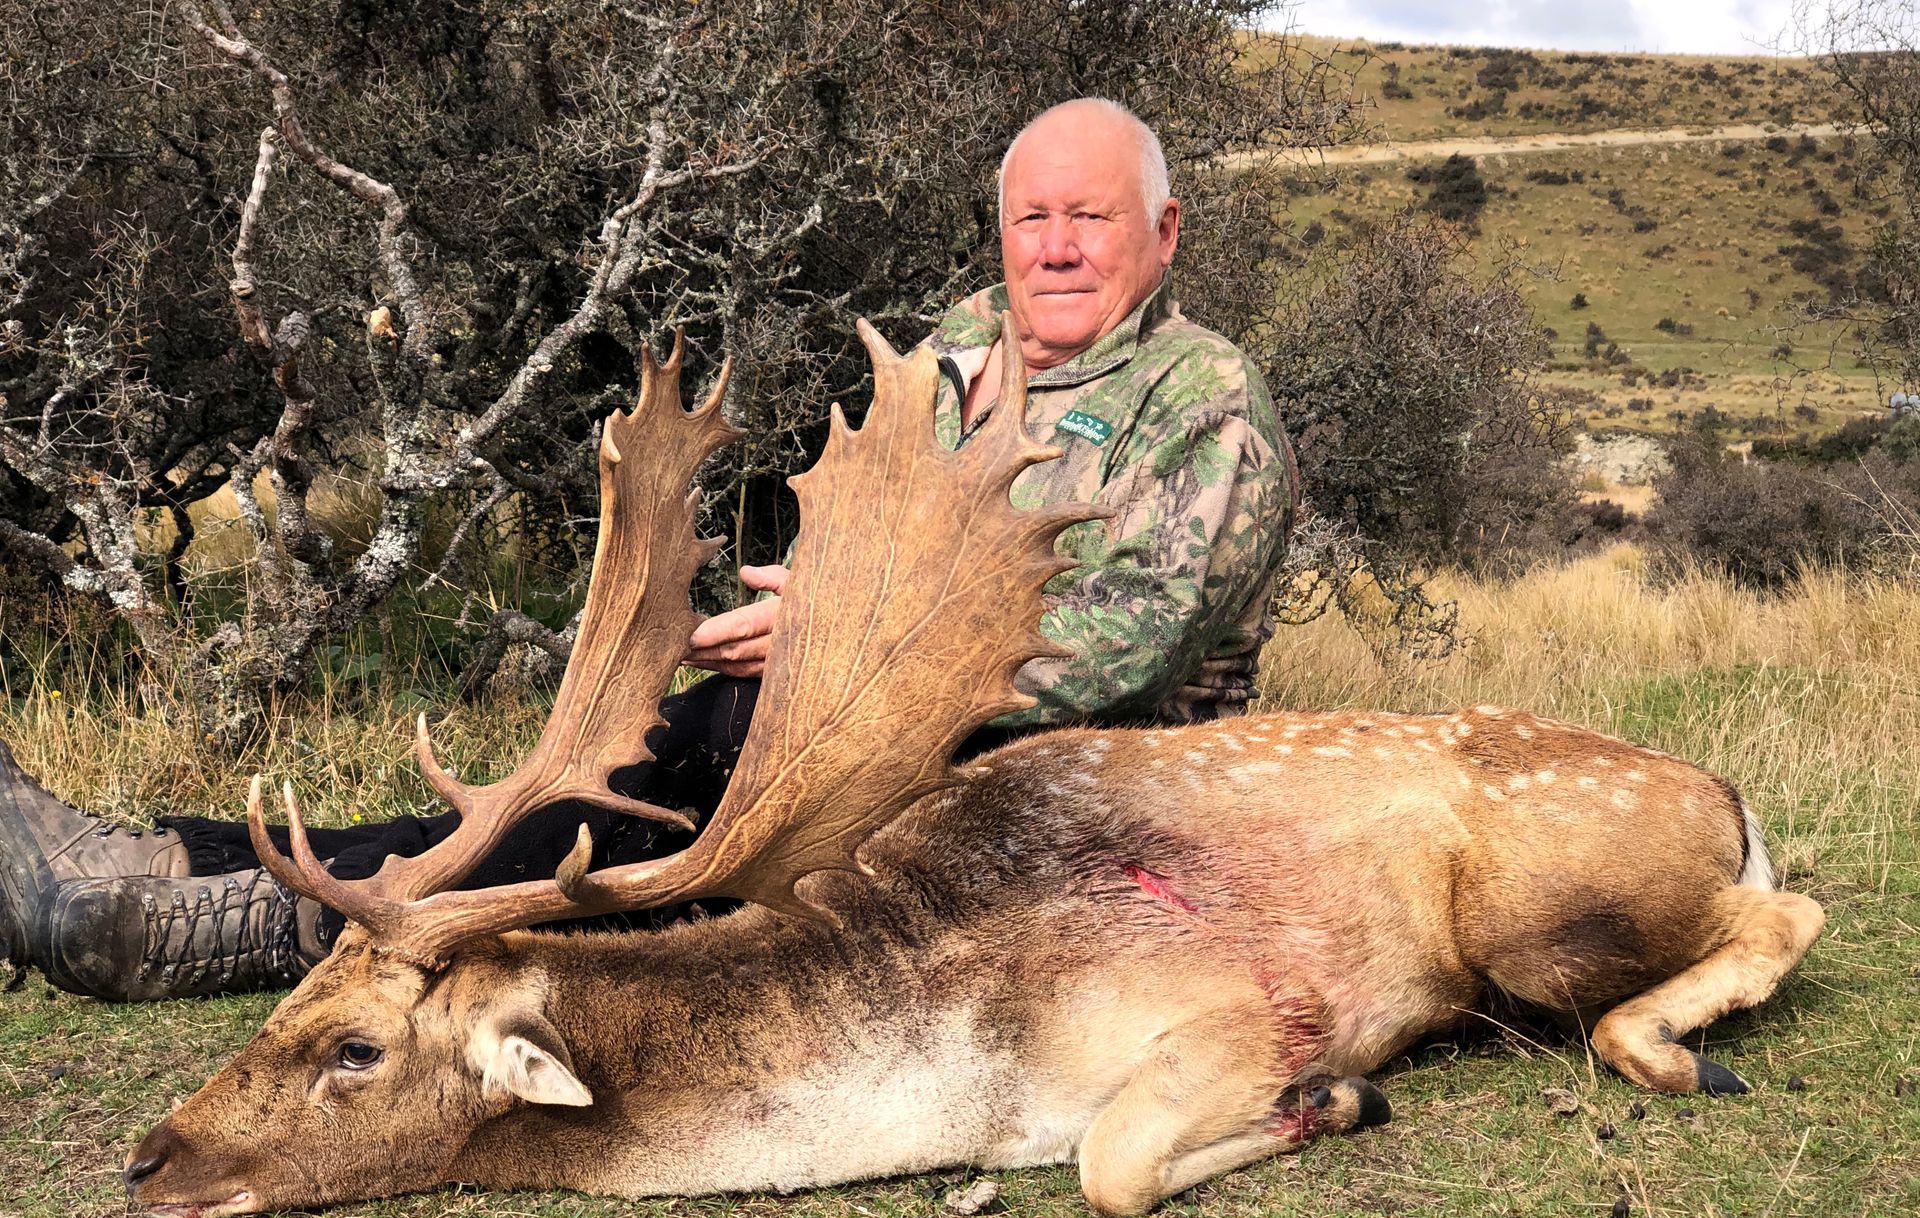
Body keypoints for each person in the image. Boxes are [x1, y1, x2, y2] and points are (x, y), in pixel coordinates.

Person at [0, 98, 1300, 1002]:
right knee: (630, 753)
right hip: (866, 733)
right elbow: (889, 555)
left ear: (1166, 234)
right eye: (1034, 219)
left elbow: (1123, 652)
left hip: (1082, 804)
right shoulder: (963, 349)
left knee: (690, 773)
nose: (1058, 247)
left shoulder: (1207, 408)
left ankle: (255, 924)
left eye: (1093, 219)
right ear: (1001, 227)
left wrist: (855, 640)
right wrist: (817, 616)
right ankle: (179, 860)